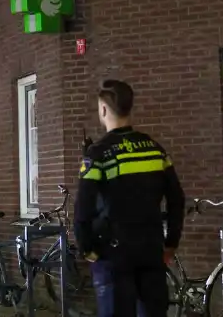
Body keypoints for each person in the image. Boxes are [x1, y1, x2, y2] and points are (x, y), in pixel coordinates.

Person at [74, 80, 185, 317]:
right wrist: (170, 243)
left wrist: (88, 250)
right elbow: (177, 198)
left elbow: (83, 208)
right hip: (150, 250)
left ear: (103, 109)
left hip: (113, 255)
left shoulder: (98, 153)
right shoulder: (154, 149)